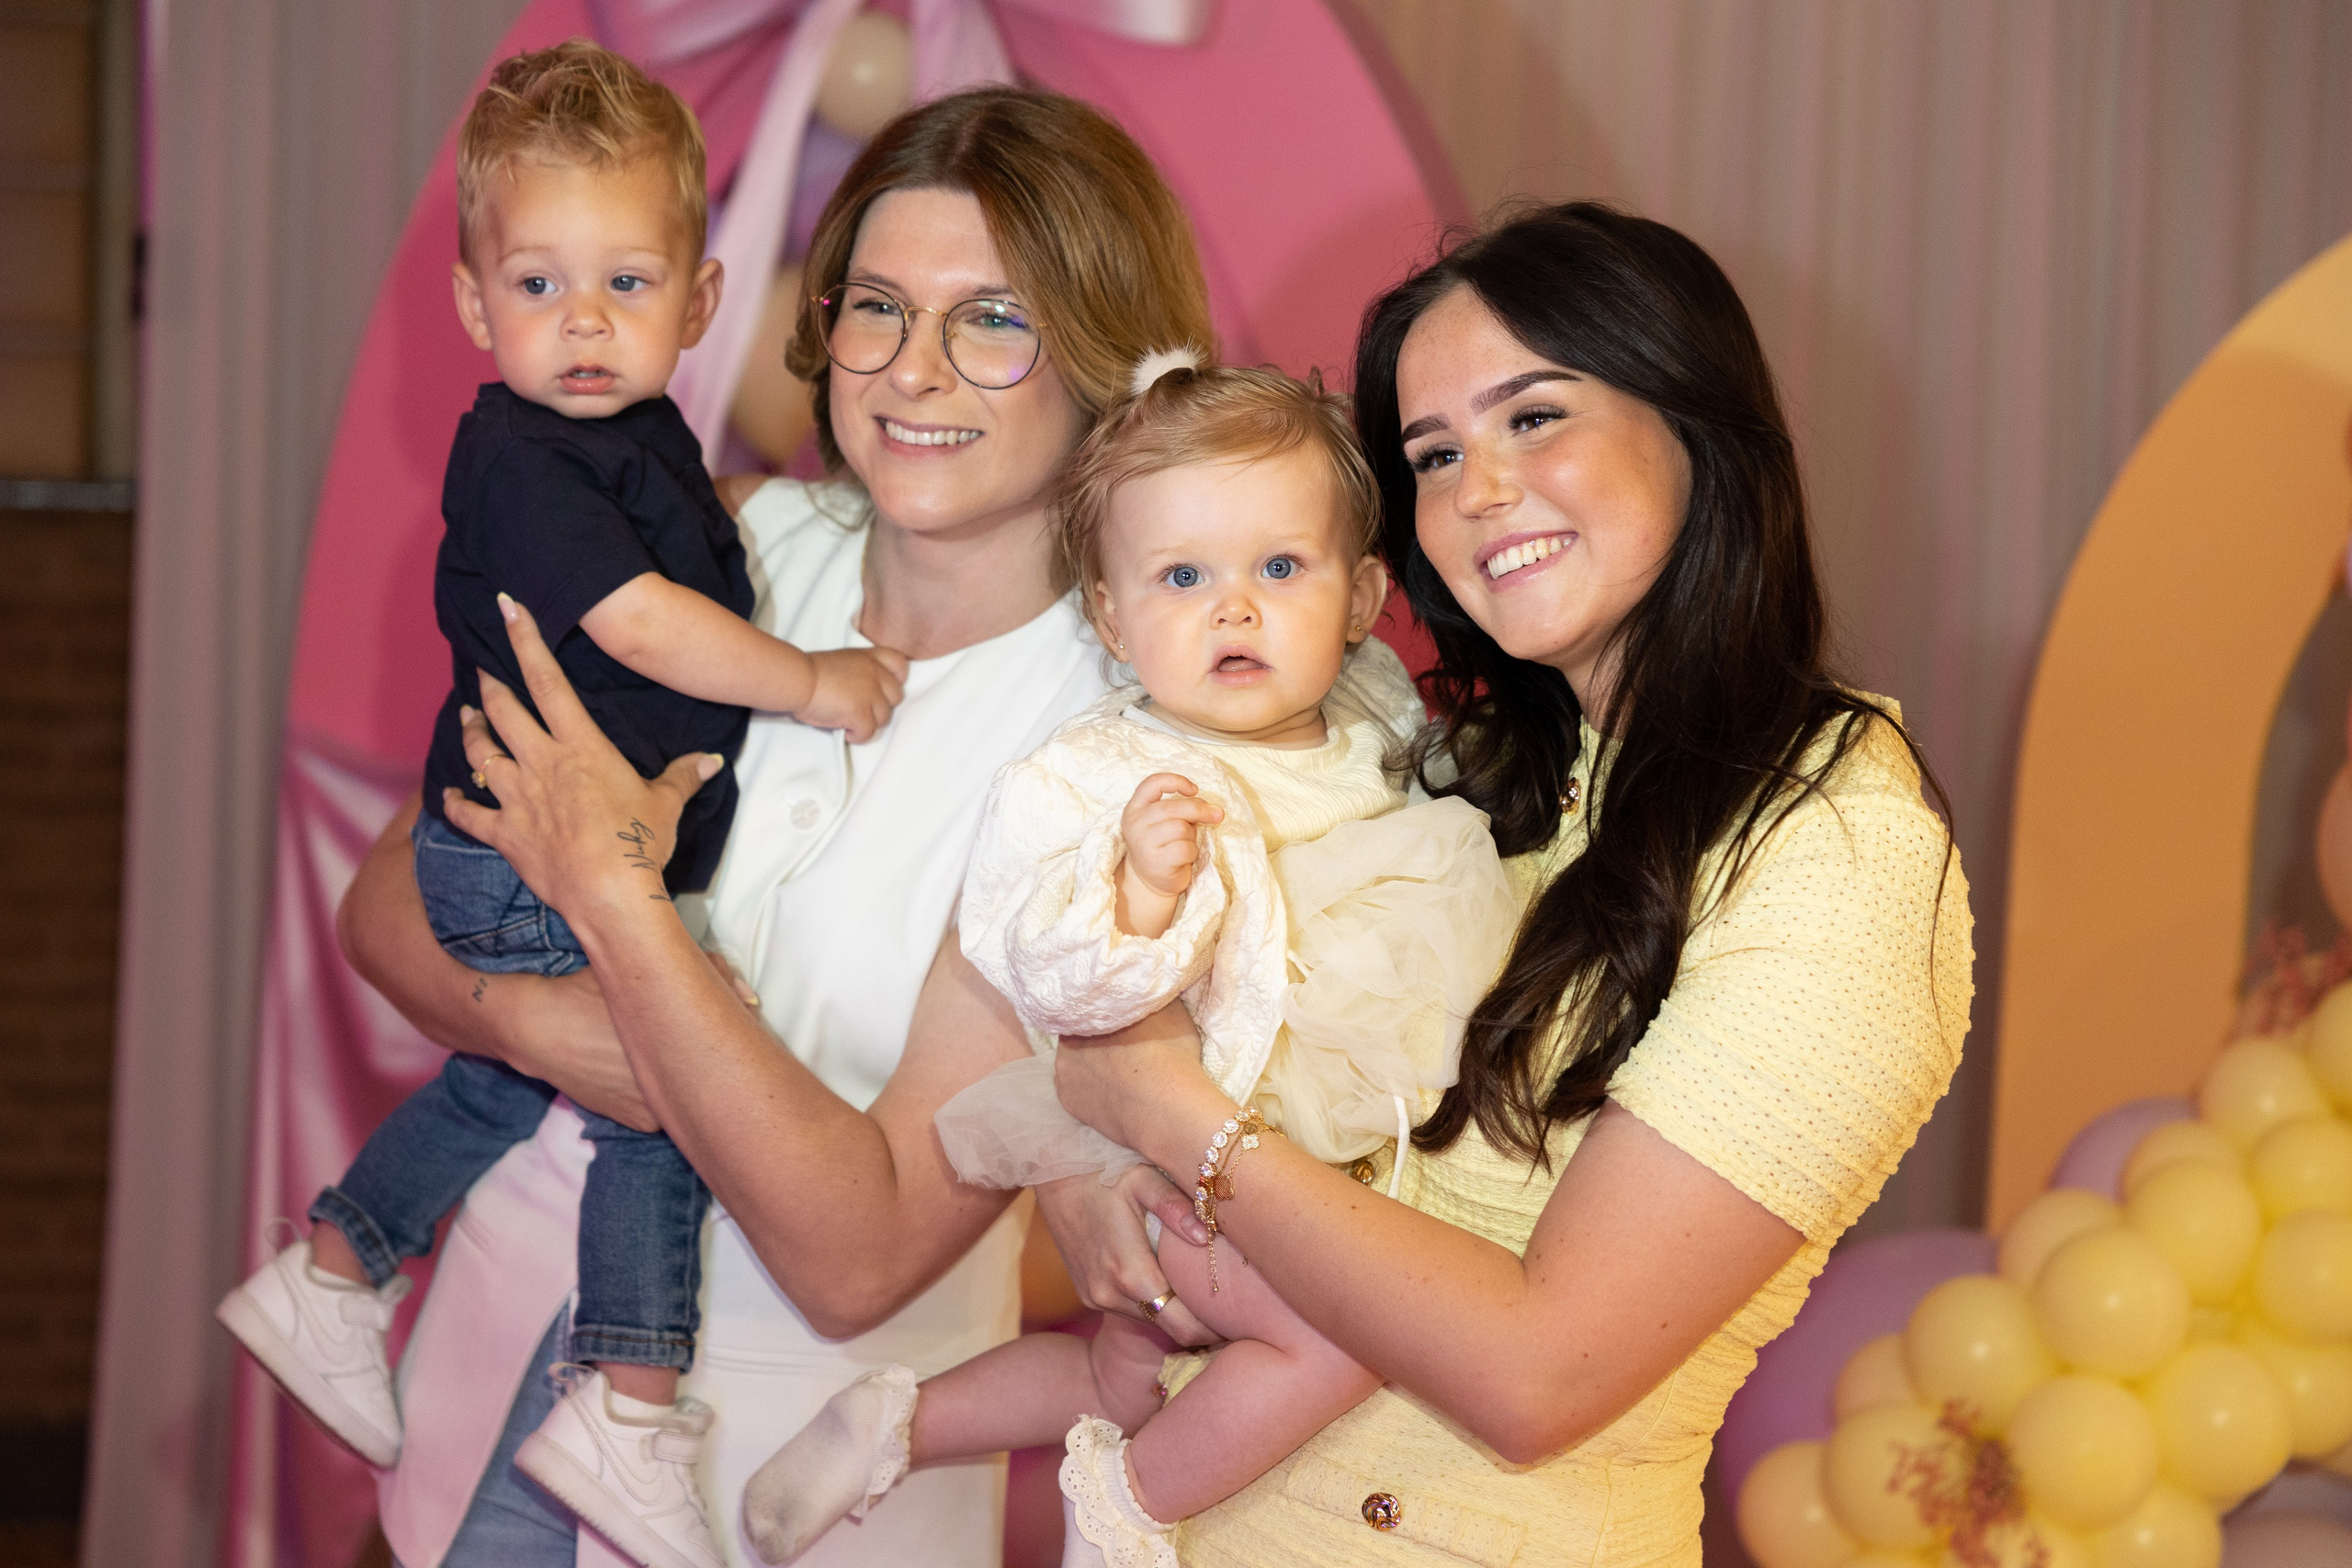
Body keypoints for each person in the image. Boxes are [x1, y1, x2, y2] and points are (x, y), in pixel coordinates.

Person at [335, 87, 1224, 1568]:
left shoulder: (1120, 755)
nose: (915, 370)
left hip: (787, 1494)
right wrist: (550, 1030)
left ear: (1107, 358)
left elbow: (854, 1255)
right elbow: (385, 906)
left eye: (994, 320)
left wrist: (614, 906)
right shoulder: (723, 546)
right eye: (877, 308)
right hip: (475, 1407)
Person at [1043, 202, 1976, 1565]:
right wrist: (1092, 1181)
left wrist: (1163, 1108)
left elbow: (1542, 1375)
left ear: (1697, 422)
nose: (1478, 490)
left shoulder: (1837, 843)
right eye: (1434, 454)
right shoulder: (1479, 772)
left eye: (1534, 418)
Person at [221, 41, 908, 1568]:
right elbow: (647, 628)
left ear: (702, 301)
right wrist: (813, 681)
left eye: (625, 284)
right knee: (666, 1102)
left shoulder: (634, 440)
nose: (583, 322)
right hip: (520, 858)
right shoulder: (527, 460)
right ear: (475, 308)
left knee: (502, 1086)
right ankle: (627, 1400)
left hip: (525, 849)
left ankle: (335, 1270)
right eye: (538, 286)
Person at [736, 357, 1519, 1567]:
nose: (1234, 610)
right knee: (1349, 1336)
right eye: (1183, 577)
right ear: (1111, 618)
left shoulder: (1371, 716)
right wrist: (1143, 900)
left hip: (1302, 1152)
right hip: (1177, 1157)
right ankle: (1129, 1510)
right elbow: (1041, 972)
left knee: (1128, 1372)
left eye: (1279, 569)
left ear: (1362, 597)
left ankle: (894, 1422)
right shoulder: (1095, 778)